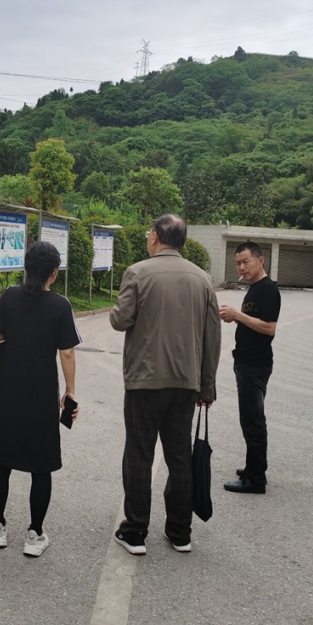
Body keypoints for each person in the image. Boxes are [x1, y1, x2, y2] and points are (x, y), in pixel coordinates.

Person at [109, 214, 220, 556]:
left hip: (144, 381)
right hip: (186, 383)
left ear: (156, 236)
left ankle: (135, 531)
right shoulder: (203, 279)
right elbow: (212, 337)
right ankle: (180, 533)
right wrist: (207, 386)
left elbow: (119, 320)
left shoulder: (138, 272)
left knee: (139, 455)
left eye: (149, 233)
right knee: (179, 457)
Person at [0, 241, 81, 558]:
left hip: (9, 389)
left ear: (26, 268)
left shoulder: (10, 296)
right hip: (41, 392)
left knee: (2, 461)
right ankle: (35, 534)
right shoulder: (60, 306)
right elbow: (67, 352)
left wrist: (13, 331)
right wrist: (70, 391)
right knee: (42, 466)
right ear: (54, 273)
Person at [220, 241, 281, 495]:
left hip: (255, 365)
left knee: (253, 421)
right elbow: (253, 323)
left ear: (261, 260)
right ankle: (253, 467)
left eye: (245, 261)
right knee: (249, 419)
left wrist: (238, 315)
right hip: (246, 362)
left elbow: (269, 328)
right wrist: (235, 318)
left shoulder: (268, 289)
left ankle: (256, 480)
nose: (241, 267)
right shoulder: (254, 288)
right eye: (237, 263)